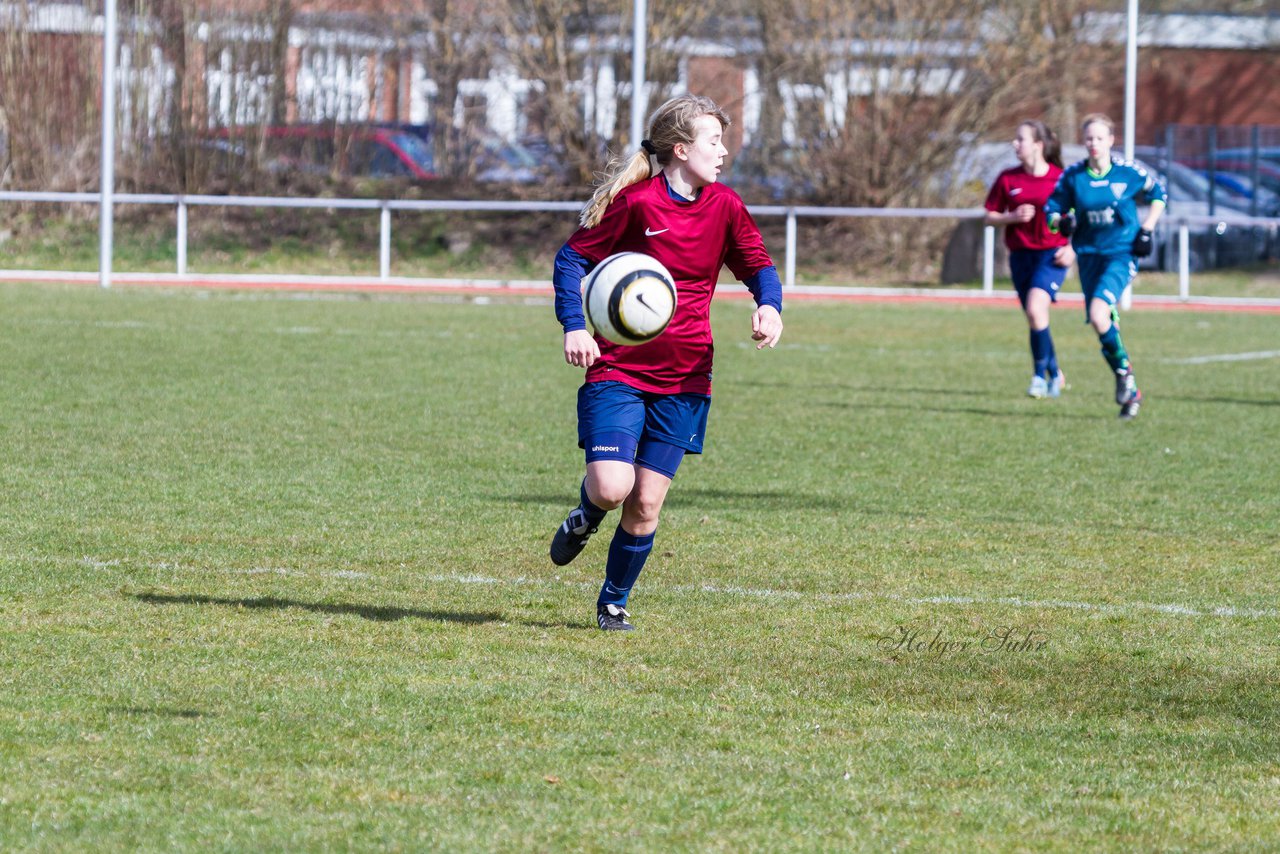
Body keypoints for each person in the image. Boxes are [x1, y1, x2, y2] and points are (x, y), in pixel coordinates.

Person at [547, 94, 784, 631]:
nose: (723, 152)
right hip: (619, 370)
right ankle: (587, 513)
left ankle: (613, 602)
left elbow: (758, 266)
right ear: (681, 149)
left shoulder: (725, 206)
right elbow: (571, 258)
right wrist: (575, 325)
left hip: (686, 378)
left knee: (645, 505)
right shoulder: (638, 204)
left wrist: (769, 306)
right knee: (612, 487)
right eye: (713, 141)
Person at [1045, 113, 1166, 420]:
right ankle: (1129, 386)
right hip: (1088, 256)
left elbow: (1159, 194)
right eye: (1088, 138)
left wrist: (1147, 228)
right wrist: (1063, 222)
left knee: (1099, 314)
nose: (1094, 144)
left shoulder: (1127, 173)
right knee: (1104, 322)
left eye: (1100, 138)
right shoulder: (1074, 176)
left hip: (1120, 255)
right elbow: (1051, 212)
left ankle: (1125, 376)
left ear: (1111, 140)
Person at [984, 120, 1076, 399]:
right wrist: (1010, 217)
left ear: (1038, 145)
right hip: (1020, 256)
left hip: (1051, 256)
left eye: (1020, 139)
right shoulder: (1008, 179)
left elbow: (1081, 218)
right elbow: (989, 216)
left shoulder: (1062, 179)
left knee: (1037, 310)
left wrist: (1074, 248)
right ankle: (1055, 372)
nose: (1015, 144)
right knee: (1036, 318)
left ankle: (1039, 376)